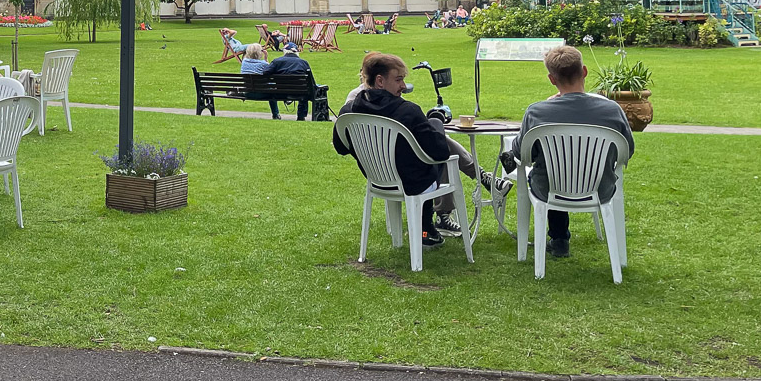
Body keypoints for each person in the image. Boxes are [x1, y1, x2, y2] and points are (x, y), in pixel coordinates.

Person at [336, 52, 498, 245]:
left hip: (377, 179)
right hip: (414, 182)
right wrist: (436, 120)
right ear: (380, 81)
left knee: (422, 157)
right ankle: (429, 227)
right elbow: (440, 152)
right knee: (436, 160)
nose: (403, 86)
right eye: (398, 80)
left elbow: (341, 147)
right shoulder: (407, 111)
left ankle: (425, 230)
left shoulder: (348, 111)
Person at [512, 44, 634, 259]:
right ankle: (561, 239)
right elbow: (627, 151)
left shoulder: (537, 112)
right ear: (584, 71)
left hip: (549, 188)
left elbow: (522, 153)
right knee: (558, 170)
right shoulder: (612, 110)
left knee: (551, 171)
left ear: (551, 79)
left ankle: (559, 239)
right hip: (600, 186)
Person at [263, 43, 315, 121]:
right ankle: (301, 116)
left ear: (285, 51)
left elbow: (265, 73)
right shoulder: (303, 62)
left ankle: (276, 114)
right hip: (300, 92)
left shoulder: (277, 61)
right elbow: (311, 81)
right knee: (308, 89)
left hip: (280, 91)